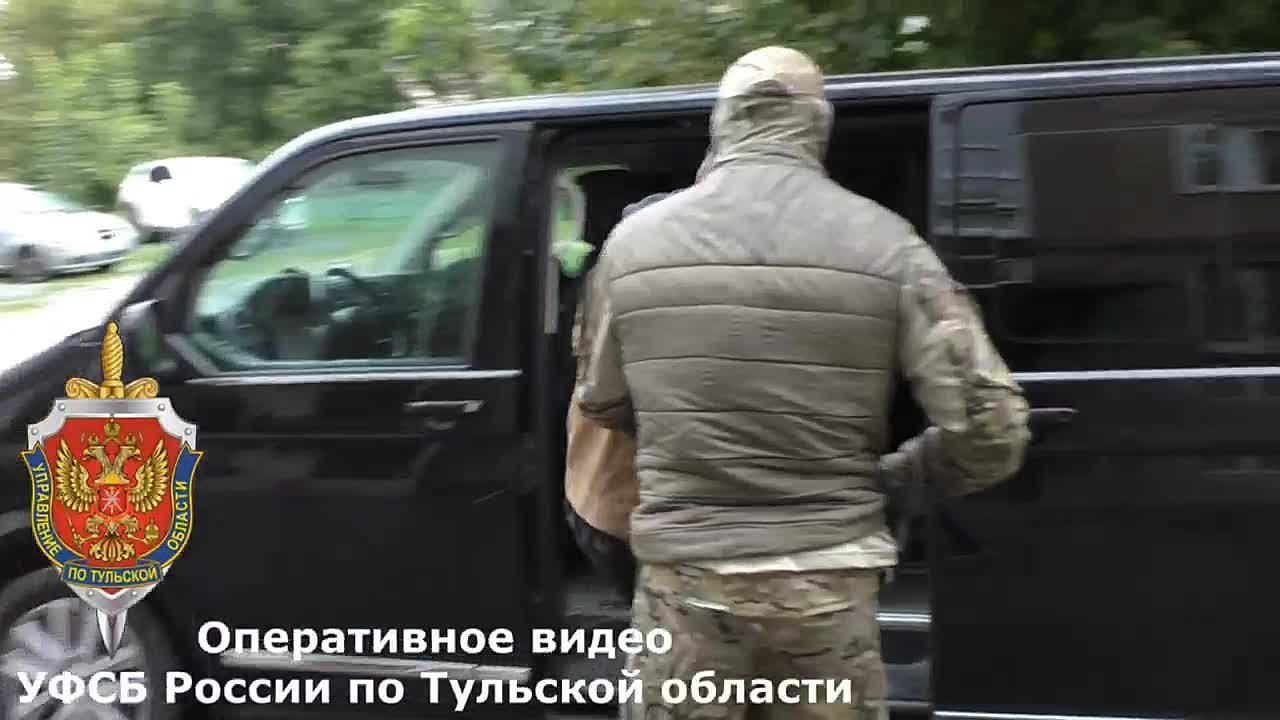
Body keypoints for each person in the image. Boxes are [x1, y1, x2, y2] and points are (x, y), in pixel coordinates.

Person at [576, 46, 1031, 720]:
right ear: (818, 124)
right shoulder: (889, 243)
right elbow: (993, 428)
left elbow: (602, 399)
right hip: (830, 582)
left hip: (688, 578)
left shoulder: (631, 246)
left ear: (722, 122)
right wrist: (895, 480)